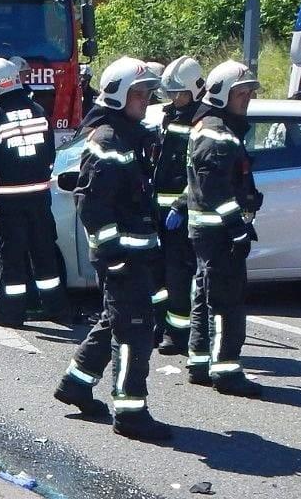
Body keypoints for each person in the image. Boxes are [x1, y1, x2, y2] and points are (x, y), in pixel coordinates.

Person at [54, 58, 171, 442]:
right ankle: (130, 412)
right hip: (122, 258)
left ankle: (76, 383)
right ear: (119, 95)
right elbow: (93, 206)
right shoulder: (108, 140)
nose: (145, 99)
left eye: (148, 93)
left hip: (135, 255)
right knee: (134, 332)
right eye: (139, 93)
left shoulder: (129, 136)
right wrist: (115, 256)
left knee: (115, 320)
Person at [186, 60, 265, 397]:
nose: (246, 99)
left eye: (249, 93)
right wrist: (236, 226)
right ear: (221, 95)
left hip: (209, 230)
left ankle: (201, 362)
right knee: (226, 302)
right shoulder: (218, 132)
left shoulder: (217, 126)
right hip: (218, 232)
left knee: (206, 295)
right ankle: (227, 371)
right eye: (240, 93)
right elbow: (215, 188)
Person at [0, 56, 68, 327]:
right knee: (44, 254)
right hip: (39, 198)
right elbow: (50, 154)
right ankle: (57, 309)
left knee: (12, 260)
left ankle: (11, 315)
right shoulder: (38, 110)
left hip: (9, 201)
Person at [152, 56, 206, 355]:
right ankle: (160, 327)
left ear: (195, 90)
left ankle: (178, 334)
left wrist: (181, 204)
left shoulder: (201, 121)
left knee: (179, 275)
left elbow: (197, 172)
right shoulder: (170, 115)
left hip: (181, 214)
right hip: (160, 211)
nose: (175, 97)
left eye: (180, 92)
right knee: (158, 274)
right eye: (171, 93)